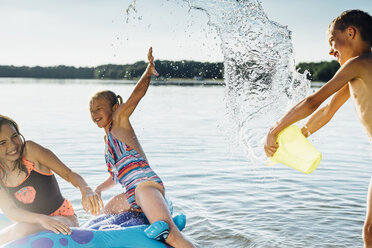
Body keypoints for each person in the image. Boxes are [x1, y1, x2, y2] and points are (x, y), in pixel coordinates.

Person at [263, 9, 372, 247]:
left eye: (333, 42)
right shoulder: (359, 69)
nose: (331, 51)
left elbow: (314, 102)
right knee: (370, 230)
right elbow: (327, 110)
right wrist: (298, 135)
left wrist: (275, 129)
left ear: (351, 33)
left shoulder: (358, 63)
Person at [89, 47, 195, 248]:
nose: (94, 113)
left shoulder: (119, 122)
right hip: (132, 192)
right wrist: (99, 189)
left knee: (170, 235)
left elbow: (136, 95)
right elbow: (116, 176)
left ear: (114, 108)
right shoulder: (108, 142)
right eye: (91, 110)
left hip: (145, 185)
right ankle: (150, 216)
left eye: (98, 108)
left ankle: (167, 224)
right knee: (108, 211)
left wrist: (147, 73)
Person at [0, 115, 103, 245]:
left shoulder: (31, 151)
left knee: (20, 230)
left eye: (15, 136)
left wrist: (86, 189)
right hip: (36, 221)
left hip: (64, 219)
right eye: (3, 143)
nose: (13, 145)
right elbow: (10, 211)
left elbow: (68, 173)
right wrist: (41, 219)